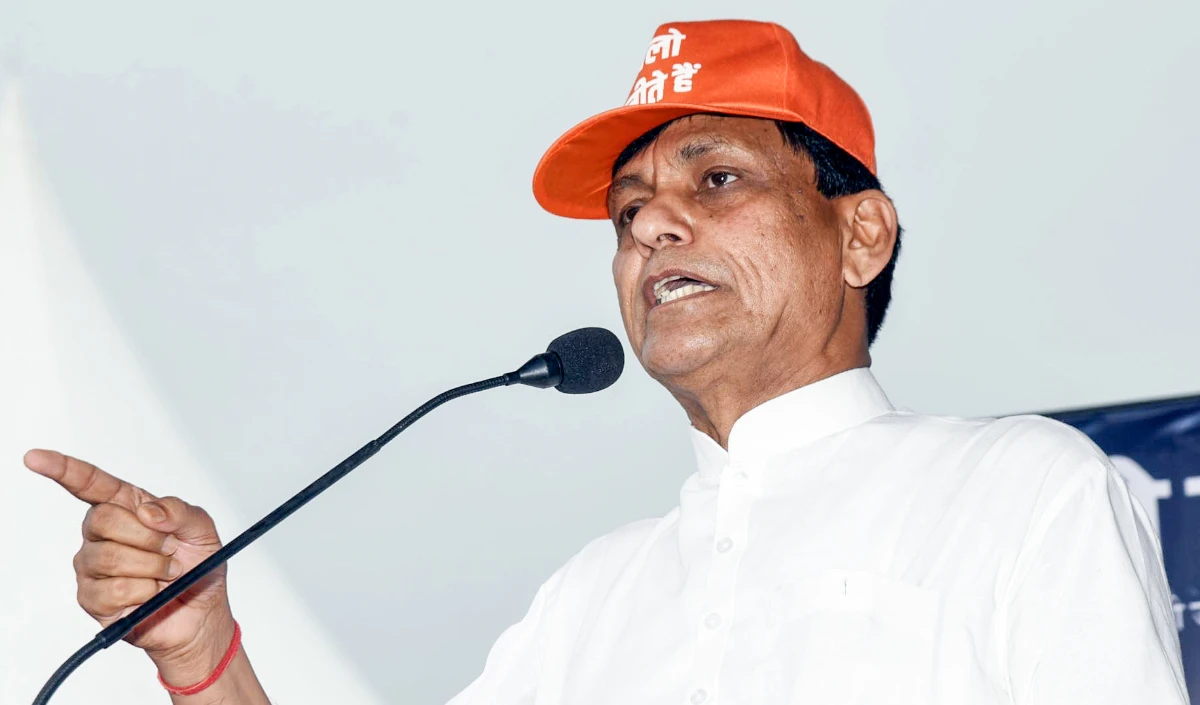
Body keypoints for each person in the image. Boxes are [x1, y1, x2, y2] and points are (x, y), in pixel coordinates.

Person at [26, 19, 1187, 705]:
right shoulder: (591, 598)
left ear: (861, 234)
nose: (651, 227)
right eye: (628, 212)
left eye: (716, 180)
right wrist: (205, 652)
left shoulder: (1022, 490)